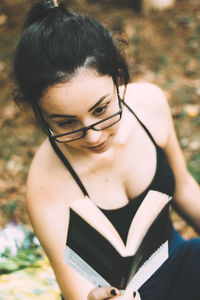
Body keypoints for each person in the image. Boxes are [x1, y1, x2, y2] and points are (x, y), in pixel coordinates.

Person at [13, 0, 200, 299]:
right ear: (41, 113)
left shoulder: (149, 106)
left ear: (117, 75)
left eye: (101, 109)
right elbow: (76, 291)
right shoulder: (45, 182)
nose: (93, 135)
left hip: (179, 263)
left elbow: (186, 190)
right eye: (66, 123)